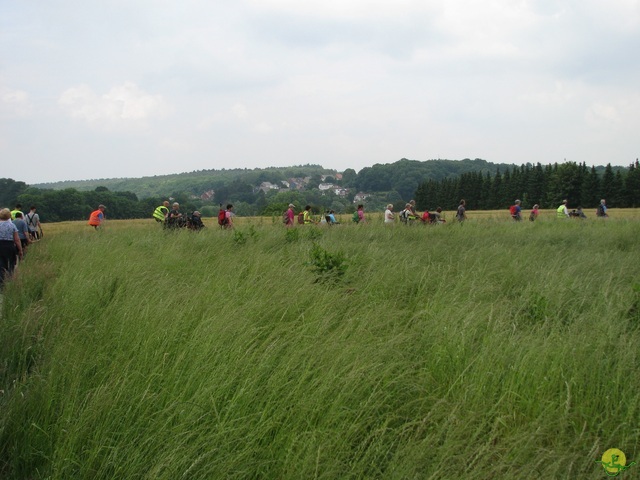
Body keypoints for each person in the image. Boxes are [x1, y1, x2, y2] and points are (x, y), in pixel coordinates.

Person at [0, 208, 23, 289]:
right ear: (9, 216)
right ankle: (10, 278)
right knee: (11, 263)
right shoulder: (12, 225)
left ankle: (2, 283)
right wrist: (20, 250)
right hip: (9, 245)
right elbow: (16, 239)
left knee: (1, 264)